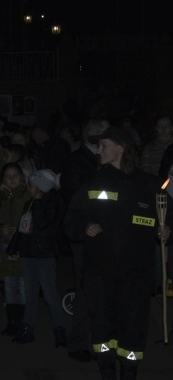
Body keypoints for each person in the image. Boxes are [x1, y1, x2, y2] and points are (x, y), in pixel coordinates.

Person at [64, 126, 170, 380]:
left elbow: (167, 214)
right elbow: (71, 220)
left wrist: (167, 229)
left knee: (134, 327)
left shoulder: (148, 183)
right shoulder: (92, 181)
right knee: (102, 328)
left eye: (104, 145)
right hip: (100, 271)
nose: (99, 150)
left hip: (137, 272)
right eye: (98, 146)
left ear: (120, 147)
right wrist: (84, 226)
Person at [59, 117, 109, 362]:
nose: (104, 134)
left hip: (108, 233)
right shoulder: (76, 162)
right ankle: (78, 342)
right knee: (84, 286)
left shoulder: (109, 161)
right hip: (84, 233)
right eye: (100, 129)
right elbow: (74, 201)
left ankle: (104, 339)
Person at [11, 170, 66, 347]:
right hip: (29, 254)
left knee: (50, 294)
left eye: (32, 184)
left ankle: (60, 329)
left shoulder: (52, 203)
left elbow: (43, 224)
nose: (29, 187)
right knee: (31, 292)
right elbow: (23, 227)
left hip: (45, 255)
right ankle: (27, 328)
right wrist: (14, 246)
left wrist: (38, 203)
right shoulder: (29, 203)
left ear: (40, 187)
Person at [0, 163, 30, 336]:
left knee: (22, 286)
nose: (12, 179)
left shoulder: (27, 196)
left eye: (15, 175)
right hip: (5, 247)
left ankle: (24, 321)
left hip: (22, 247)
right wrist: (0, 229)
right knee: (9, 285)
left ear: (22, 177)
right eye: (8, 176)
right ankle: (12, 321)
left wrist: (20, 231)